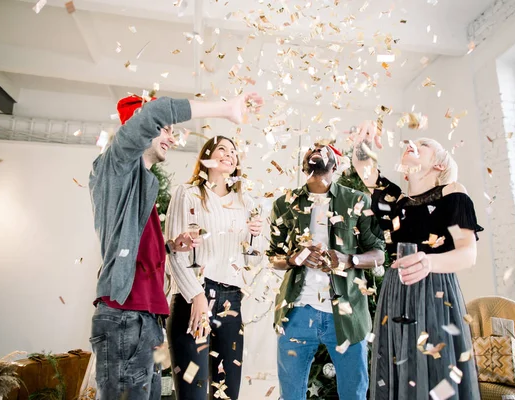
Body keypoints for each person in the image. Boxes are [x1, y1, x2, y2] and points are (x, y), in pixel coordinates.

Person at [88, 92, 262, 400]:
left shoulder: (143, 185)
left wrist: (171, 246)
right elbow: (154, 112)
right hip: (124, 316)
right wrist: (224, 109)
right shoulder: (115, 167)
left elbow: (141, 251)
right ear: (140, 127)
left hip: (147, 317)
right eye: (165, 129)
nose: (172, 137)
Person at [348, 121, 482, 399]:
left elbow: (468, 254)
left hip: (435, 293)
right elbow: (366, 172)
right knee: (397, 368)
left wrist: (429, 263)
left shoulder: (452, 193)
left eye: (424, 146)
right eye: (412, 143)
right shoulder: (396, 201)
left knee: (433, 371)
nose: (413, 145)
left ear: (439, 166)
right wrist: (363, 141)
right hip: (395, 292)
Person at [267, 143, 385, 400]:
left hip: (346, 315)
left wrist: (348, 259)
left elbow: (379, 255)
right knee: (291, 395)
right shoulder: (284, 204)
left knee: (354, 394)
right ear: (303, 165)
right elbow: (272, 257)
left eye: (324, 149)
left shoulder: (357, 200)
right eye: (311, 149)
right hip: (296, 313)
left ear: (335, 165)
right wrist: (295, 258)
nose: (316, 150)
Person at [165, 134, 264, 400]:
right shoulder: (187, 194)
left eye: (234, 152)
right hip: (194, 297)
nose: (229, 154)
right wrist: (196, 294)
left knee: (227, 394)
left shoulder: (247, 204)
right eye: (222, 149)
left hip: (232, 301)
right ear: (207, 156)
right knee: (192, 393)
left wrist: (254, 236)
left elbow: (252, 262)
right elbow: (174, 251)